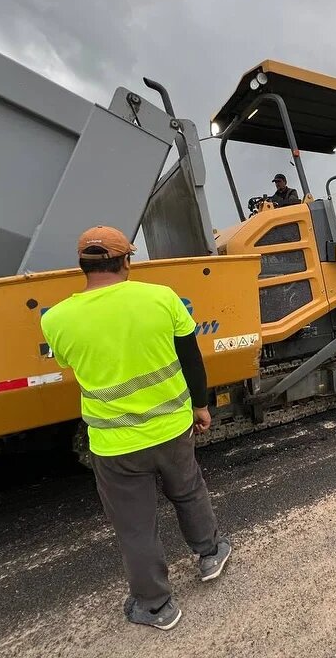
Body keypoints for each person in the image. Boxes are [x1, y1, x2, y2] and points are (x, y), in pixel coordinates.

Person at [40, 225, 231, 631]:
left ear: (82, 265)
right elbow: (191, 359)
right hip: (173, 427)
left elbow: (68, 365)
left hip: (115, 444)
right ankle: (211, 554)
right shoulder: (161, 298)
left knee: (135, 525)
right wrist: (201, 407)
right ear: (126, 260)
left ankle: (157, 606)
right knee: (188, 490)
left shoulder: (56, 320)